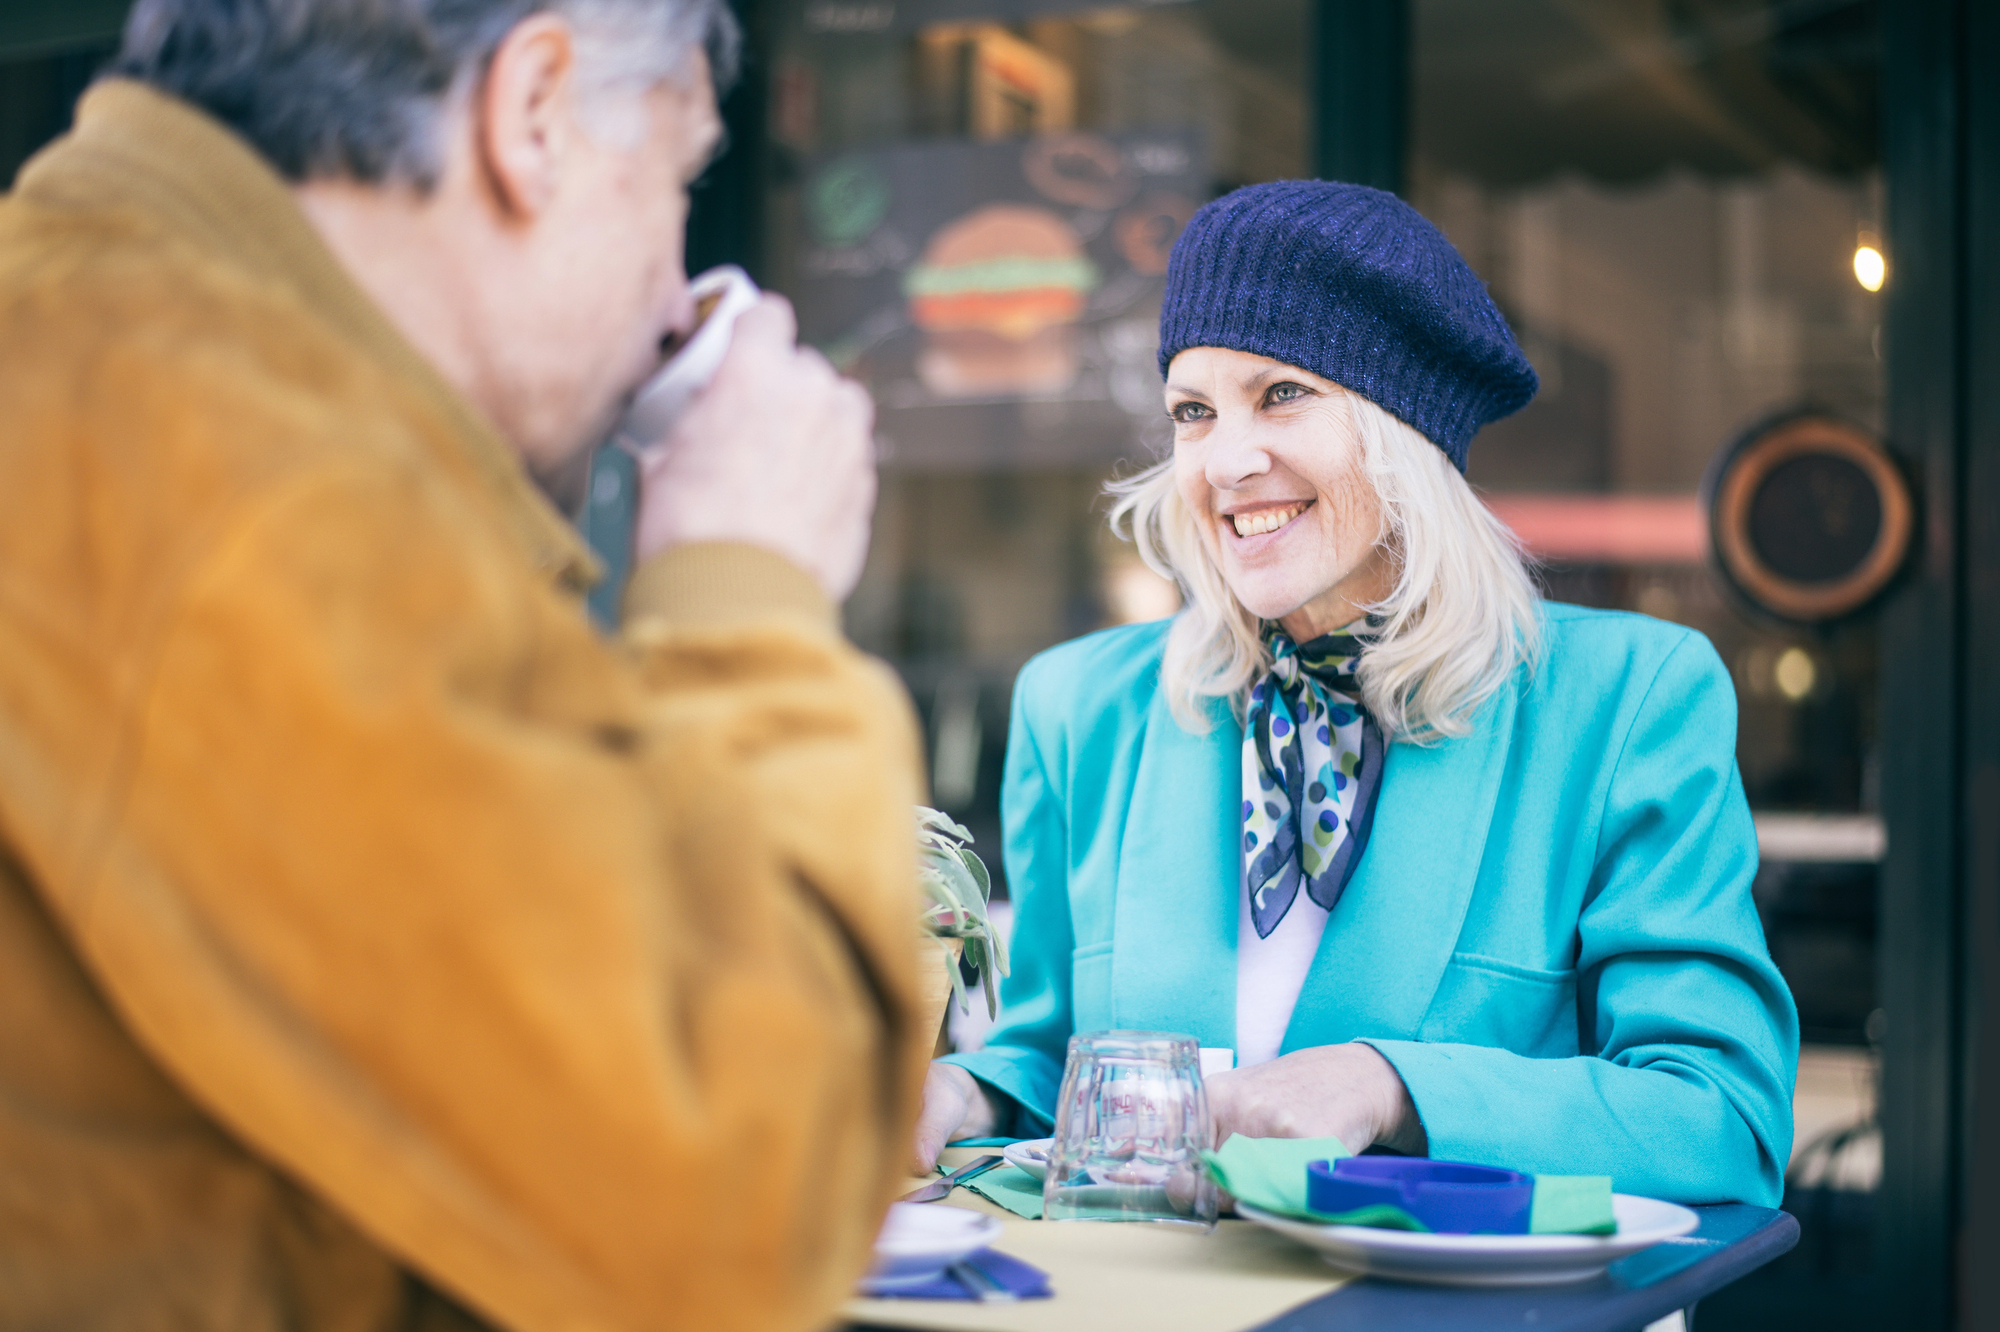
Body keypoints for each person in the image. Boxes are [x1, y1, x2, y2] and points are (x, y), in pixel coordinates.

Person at [0, 3, 930, 1330]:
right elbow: (726, 1216)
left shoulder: (110, 339)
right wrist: (747, 584)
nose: (678, 290)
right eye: (675, 180)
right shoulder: (243, 469)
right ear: (533, 112)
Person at [914, 181, 1798, 1206]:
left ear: (1402, 429)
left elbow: (1719, 1119)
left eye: (1281, 393)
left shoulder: (1623, 702)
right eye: (1192, 412)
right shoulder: (1078, 708)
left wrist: (1391, 1088)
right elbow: (1047, 1064)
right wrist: (956, 1097)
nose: (1227, 460)